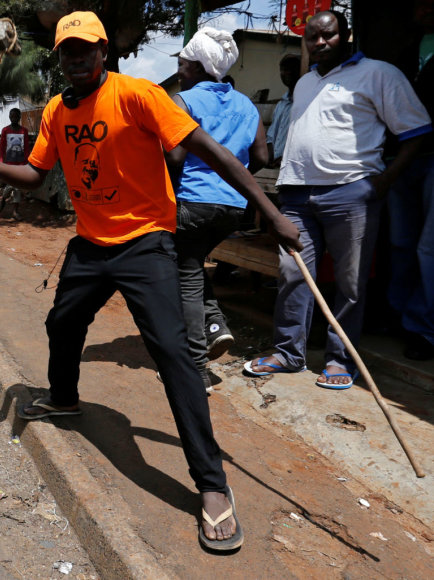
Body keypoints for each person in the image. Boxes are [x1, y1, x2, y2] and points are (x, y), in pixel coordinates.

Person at [0, 11, 302, 551]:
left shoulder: (139, 94)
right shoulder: (54, 110)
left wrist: (273, 215)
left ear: (102, 51)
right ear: (60, 58)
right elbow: (35, 176)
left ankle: (212, 486)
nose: (77, 58)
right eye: (67, 52)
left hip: (146, 243)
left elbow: (215, 156)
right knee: (63, 321)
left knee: (173, 354)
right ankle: (65, 397)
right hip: (92, 244)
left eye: (86, 49)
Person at [244, 10, 432, 388]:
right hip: (297, 194)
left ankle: (340, 359)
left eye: (327, 36)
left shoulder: (379, 74)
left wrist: (385, 180)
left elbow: (417, 130)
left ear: (346, 36)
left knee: (350, 282)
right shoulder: (305, 83)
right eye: (312, 37)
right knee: (293, 275)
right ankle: (287, 352)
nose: (319, 43)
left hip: (351, 192)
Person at [164, 28, 268, 389]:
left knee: (186, 276)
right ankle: (213, 325)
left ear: (196, 67)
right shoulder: (246, 105)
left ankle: (194, 366)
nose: (179, 70)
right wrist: (229, 181)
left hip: (192, 201)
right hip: (232, 207)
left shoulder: (184, 101)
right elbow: (261, 156)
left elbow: (176, 154)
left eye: (182, 63)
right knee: (192, 266)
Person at [389, 0, 434, 361]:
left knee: (428, 247)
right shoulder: (403, 54)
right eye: (419, 3)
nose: (425, 8)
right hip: (402, 158)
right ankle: (400, 316)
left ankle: (424, 328)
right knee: (402, 243)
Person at [265, 54, 301, 167]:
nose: (287, 73)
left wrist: (286, 158)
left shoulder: (305, 103)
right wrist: (268, 159)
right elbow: (271, 138)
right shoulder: (281, 104)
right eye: (283, 69)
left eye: (291, 69)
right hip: (276, 167)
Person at [0, 107, 29, 219]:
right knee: (10, 185)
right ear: (9, 117)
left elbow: (27, 149)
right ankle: (2, 201)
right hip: (9, 164)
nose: (14, 118)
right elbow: (2, 148)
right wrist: (1, 162)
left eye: (16, 116)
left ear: (19, 117)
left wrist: (26, 164)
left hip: (20, 164)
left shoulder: (24, 131)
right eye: (12, 116)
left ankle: (14, 210)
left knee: (17, 187)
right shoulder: (5, 130)